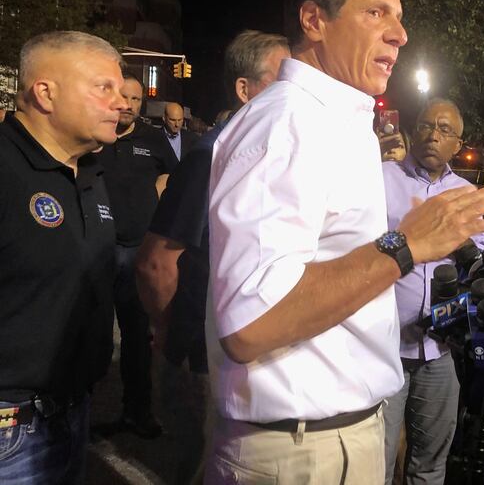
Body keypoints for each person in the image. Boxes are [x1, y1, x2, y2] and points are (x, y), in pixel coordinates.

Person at [204, 0, 484, 484]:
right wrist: (405, 247)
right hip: (300, 453)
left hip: (343, 438)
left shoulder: (340, 124)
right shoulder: (287, 123)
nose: (400, 32)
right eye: (376, 13)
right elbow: (249, 322)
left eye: (399, 16)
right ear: (314, 20)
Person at [136, 30, 290, 484]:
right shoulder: (213, 156)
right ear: (245, 90)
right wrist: (170, 333)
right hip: (201, 360)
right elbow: (157, 262)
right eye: (281, 81)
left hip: (246, 360)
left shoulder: (264, 155)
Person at [0, 31, 125, 482]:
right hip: (10, 429)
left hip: (72, 415)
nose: (121, 102)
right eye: (103, 87)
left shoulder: (89, 170)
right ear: (45, 93)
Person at [382, 98, 484, 485]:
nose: (433, 135)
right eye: (427, 126)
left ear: (458, 145)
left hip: (440, 350)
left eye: (445, 130)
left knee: (430, 464)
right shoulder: (380, 178)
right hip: (383, 347)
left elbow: (482, 261)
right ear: (414, 131)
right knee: (374, 463)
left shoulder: (467, 195)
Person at [94, 73, 174, 439]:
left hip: (136, 249)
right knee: (89, 335)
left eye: (136, 99)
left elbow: (173, 176)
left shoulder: (152, 139)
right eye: (123, 96)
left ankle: (137, 412)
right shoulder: (95, 135)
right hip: (96, 251)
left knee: (136, 337)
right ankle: (74, 415)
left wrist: (155, 202)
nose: (128, 104)